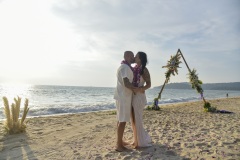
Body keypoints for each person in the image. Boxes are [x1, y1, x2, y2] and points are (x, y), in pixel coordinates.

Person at [113, 51, 142, 152]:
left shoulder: (124, 66)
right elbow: (126, 82)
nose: (133, 58)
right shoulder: (125, 67)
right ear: (127, 56)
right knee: (122, 121)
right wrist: (135, 89)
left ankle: (120, 141)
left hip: (122, 96)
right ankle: (118, 145)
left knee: (120, 119)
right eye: (132, 56)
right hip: (123, 97)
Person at [131, 51, 152, 148]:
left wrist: (140, 89)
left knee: (138, 118)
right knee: (133, 119)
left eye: (136, 56)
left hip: (139, 96)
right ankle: (136, 139)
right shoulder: (134, 68)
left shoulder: (144, 69)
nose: (134, 57)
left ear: (140, 59)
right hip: (133, 95)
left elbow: (149, 84)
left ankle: (140, 142)